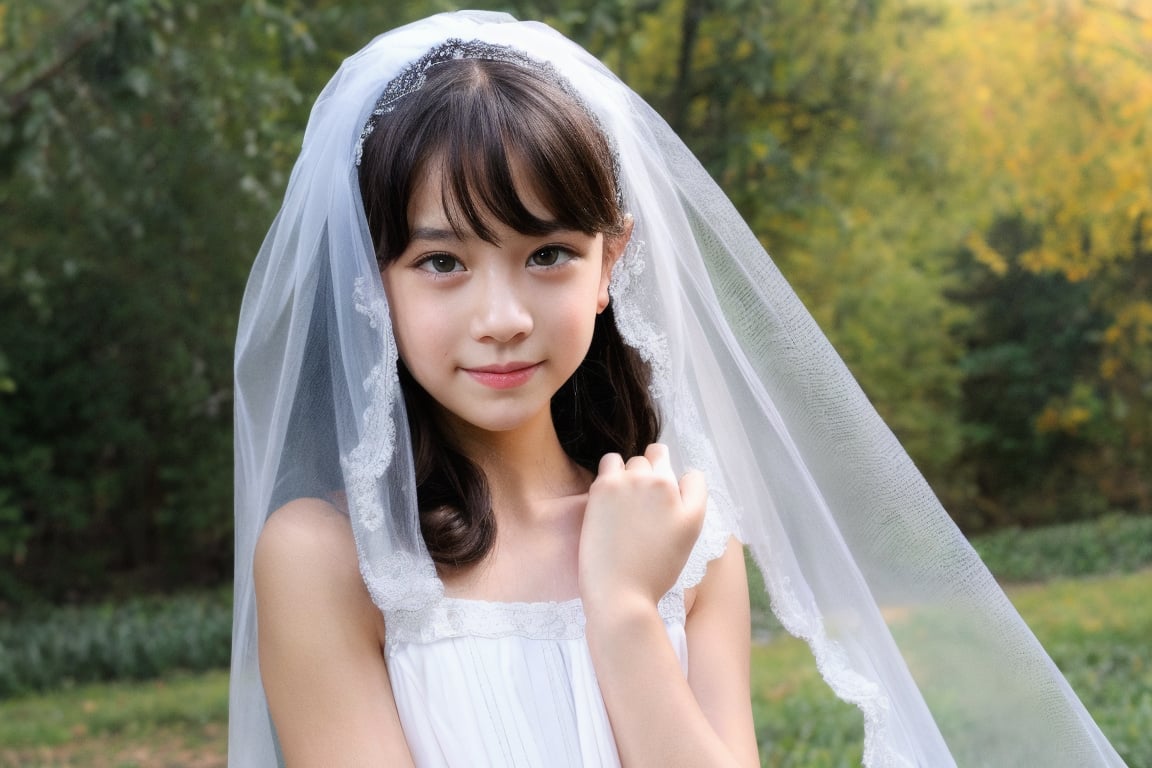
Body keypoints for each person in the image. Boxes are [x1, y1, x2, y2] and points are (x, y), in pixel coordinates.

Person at [229, 11, 1127, 767]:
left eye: (547, 255)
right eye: (441, 262)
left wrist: (624, 609)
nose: (500, 316)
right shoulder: (330, 558)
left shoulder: (688, 535)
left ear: (609, 261)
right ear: (372, 281)